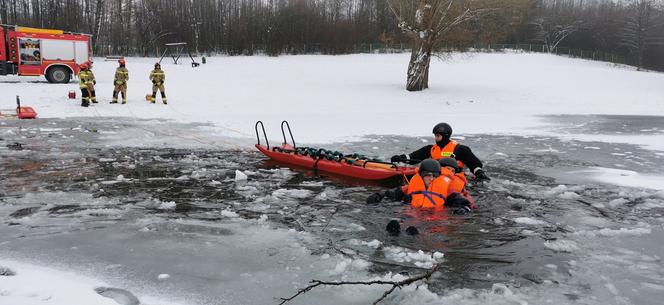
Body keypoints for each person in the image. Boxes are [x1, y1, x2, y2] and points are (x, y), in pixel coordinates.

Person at [366, 158, 473, 214]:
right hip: (413, 215)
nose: (431, 179)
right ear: (421, 175)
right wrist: (379, 195)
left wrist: (465, 209)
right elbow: (393, 193)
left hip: (436, 220)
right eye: (428, 176)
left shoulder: (449, 189)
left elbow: (466, 202)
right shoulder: (414, 186)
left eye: (434, 176)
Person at [390, 122, 490, 181]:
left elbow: (474, 164)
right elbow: (413, 157)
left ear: (445, 136)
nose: (436, 138)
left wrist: (479, 172)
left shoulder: (460, 149)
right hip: (434, 177)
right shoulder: (431, 148)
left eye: (438, 136)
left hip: (453, 178)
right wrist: (400, 158)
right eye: (435, 136)